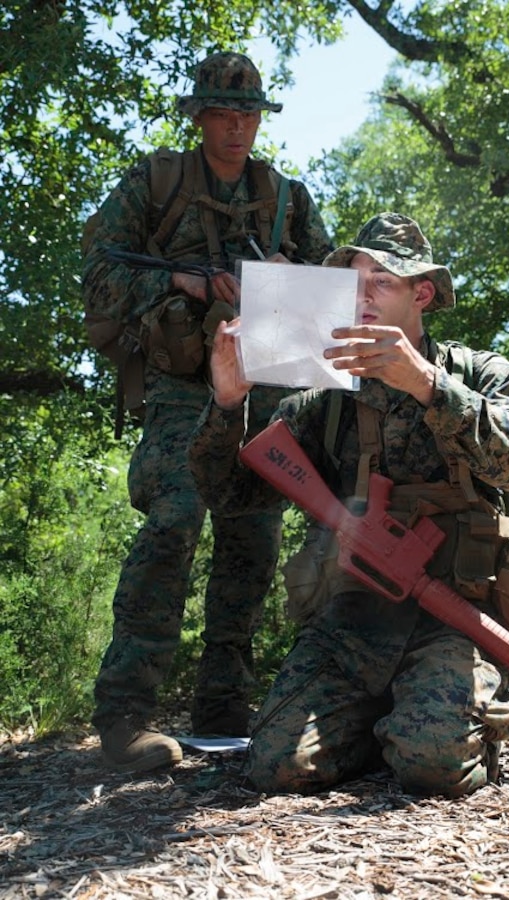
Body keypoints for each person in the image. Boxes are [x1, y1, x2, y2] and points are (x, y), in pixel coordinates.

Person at [187, 212, 509, 798]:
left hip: (455, 622)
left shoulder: (479, 372)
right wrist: (228, 403)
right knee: (275, 767)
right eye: (353, 286)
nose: (363, 300)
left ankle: (447, 715)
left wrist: (429, 387)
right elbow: (233, 495)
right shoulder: (322, 397)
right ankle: (387, 720)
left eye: (382, 283)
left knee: (433, 768)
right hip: (352, 626)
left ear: (422, 294)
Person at [82, 51, 333, 774]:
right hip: (182, 385)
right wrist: (189, 284)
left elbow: (330, 302)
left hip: (264, 385)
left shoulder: (289, 199)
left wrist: (291, 280)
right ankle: (124, 716)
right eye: (223, 113)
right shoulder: (155, 182)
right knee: (174, 521)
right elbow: (99, 272)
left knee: (253, 536)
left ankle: (223, 711)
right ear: (199, 116)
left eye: (248, 114)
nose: (237, 127)